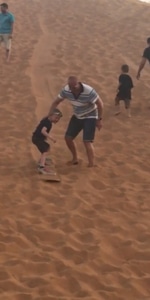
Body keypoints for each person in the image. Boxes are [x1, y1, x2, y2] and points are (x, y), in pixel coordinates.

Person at [48, 76, 103, 167]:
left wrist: (99, 120)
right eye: (70, 87)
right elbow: (56, 102)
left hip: (90, 115)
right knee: (68, 138)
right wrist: (49, 114)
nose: (72, 90)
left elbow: (100, 104)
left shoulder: (88, 91)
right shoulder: (66, 90)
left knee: (87, 141)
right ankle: (75, 158)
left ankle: (91, 164)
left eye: (74, 87)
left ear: (78, 84)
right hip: (78, 115)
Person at [32, 109, 62, 174]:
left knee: (47, 147)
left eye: (58, 119)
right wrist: (51, 138)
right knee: (45, 151)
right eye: (56, 118)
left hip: (37, 138)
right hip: (37, 139)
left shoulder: (46, 120)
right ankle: (41, 167)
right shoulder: (48, 123)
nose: (57, 120)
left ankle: (41, 161)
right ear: (51, 116)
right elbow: (43, 131)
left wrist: (44, 138)